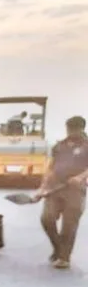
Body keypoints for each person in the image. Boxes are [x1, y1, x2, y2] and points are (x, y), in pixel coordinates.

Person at [36, 115, 88, 269]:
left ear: (81, 129)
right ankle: (58, 248)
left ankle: (64, 258)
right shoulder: (59, 146)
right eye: (69, 129)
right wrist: (42, 187)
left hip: (75, 191)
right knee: (47, 218)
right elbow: (51, 167)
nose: (70, 132)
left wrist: (80, 177)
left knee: (69, 225)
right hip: (55, 188)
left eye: (74, 129)